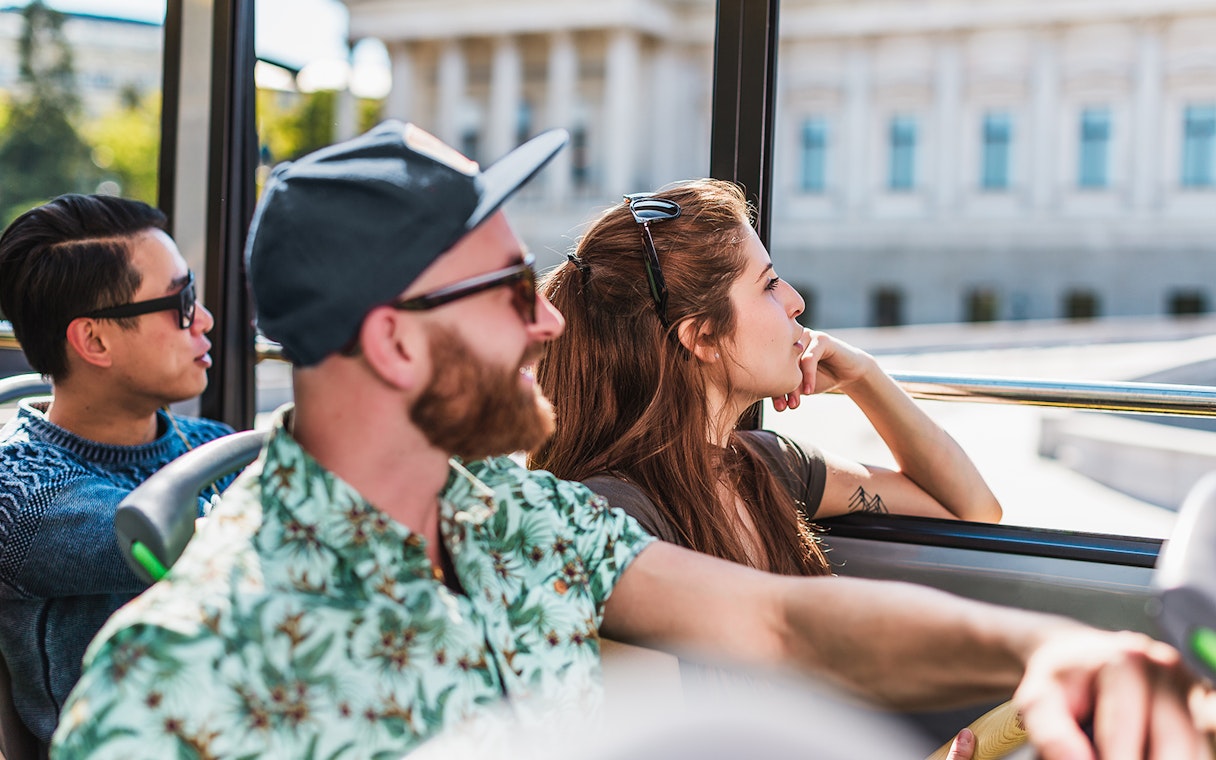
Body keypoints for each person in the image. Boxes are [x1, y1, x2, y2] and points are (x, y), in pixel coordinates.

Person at [51, 122, 1205, 760]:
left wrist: (1054, 650)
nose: (550, 317)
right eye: (507, 291)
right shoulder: (175, 679)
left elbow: (777, 617)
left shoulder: (510, 513)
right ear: (398, 344)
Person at [532, 179, 999, 579]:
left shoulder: (767, 465)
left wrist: (864, 376)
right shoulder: (613, 514)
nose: (796, 301)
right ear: (705, 336)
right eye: (769, 284)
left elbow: (973, 510)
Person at [0, 194, 234, 745]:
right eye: (182, 302)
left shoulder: (213, 444)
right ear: (94, 340)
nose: (204, 319)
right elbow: (182, 542)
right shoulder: (26, 495)